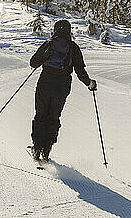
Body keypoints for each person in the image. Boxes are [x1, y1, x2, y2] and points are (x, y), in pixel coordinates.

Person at [29, 19, 97, 162]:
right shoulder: (73, 48)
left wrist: (42, 61)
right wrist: (90, 84)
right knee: (54, 117)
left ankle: (37, 148)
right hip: (62, 88)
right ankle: (47, 149)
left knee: (41, 115)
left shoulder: (49, 44)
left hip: (45, 84)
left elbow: (33, 62)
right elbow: (80, 71)